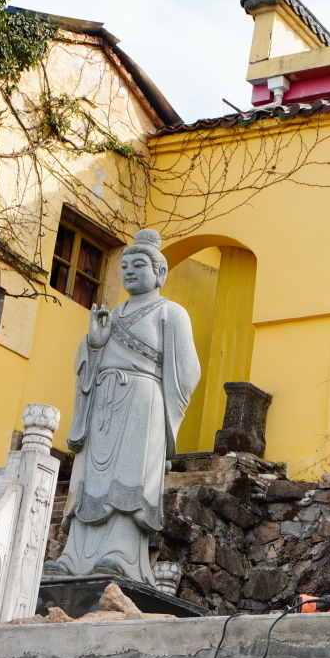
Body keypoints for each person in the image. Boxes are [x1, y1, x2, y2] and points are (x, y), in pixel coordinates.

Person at [47, 228, 200, 583]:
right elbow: (85, 360)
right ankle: (75, 556)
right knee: (90, 478)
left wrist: (161, 414)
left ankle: (120, 554)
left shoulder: (171, 313)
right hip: (102, 401)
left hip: (141, 404)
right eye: (125, 266)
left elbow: (187, 372)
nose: (129, 272)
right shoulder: (109, 316)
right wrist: (96, 344)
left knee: (127, 480)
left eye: (139, 265)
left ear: (159, 273)